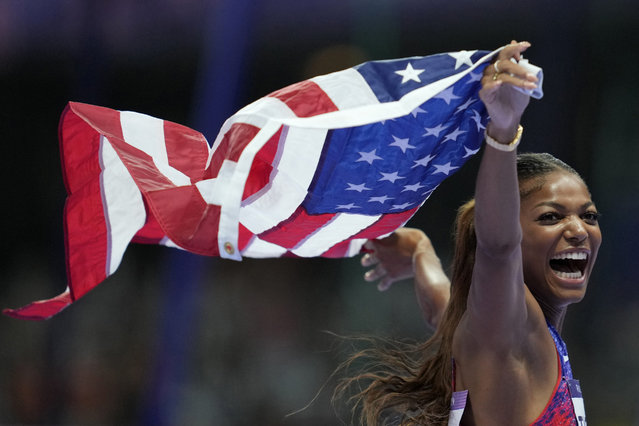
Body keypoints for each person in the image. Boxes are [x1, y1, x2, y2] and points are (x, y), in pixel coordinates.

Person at [338, 41, 601, 425]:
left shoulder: (495, 328)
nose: (578, 229)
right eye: (551, 217)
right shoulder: (514, 330)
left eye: (589, 216)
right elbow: (497, 248)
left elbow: (442, 308)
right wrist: (503, 129)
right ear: (513, 228)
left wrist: (420, 251)